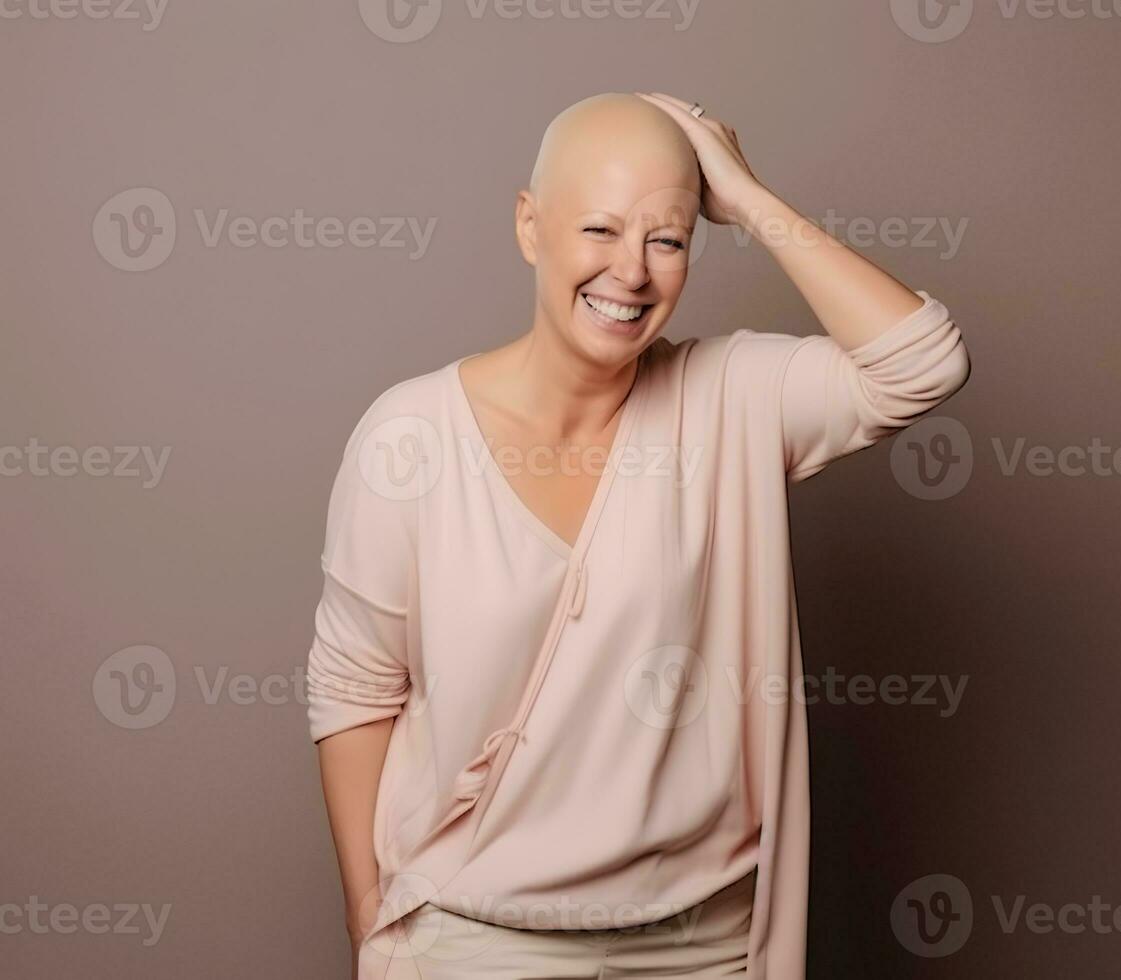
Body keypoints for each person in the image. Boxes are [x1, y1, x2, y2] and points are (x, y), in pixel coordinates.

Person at [306, 90, 972, 979]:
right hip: (478, 942)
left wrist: (744, 195)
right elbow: (354, 687)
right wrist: (369, 917)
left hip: (701, 948)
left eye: (667, 240)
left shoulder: (732, 396)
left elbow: (923, 362)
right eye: (600, 232)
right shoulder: (410, 438)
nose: (632, 273)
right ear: (528, 226)